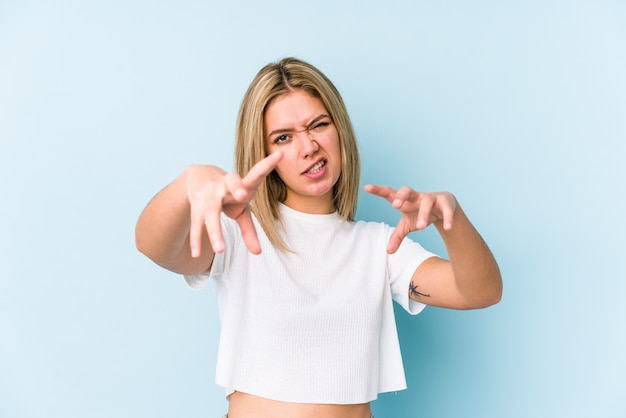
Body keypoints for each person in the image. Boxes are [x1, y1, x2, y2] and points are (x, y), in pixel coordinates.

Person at [135, 57, 502, 418]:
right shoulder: (239, 233)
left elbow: (480, 291)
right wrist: (189, 182)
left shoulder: (379, 247)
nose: (308, 146)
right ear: (264, 154)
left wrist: (448, 219)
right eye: (283, 137)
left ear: (339, 129)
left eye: (318, 125)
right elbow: (152, 245)